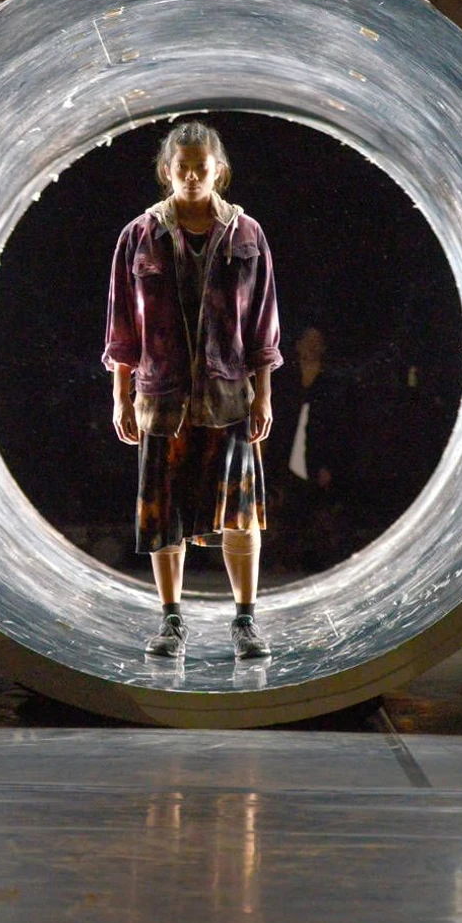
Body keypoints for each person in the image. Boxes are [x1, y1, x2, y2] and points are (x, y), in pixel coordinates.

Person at [103, 120, 282, 660]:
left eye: (200, 168)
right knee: (164, 515)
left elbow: (263, 323)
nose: (191, 177)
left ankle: (245, 621)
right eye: (181, 168)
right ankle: (171, 620)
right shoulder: (139, 236)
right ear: (167, 170)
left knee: (241, 514)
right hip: (163, 397)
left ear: (218, 170)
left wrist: (264, 395)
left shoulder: (247, 234)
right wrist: (120, 395)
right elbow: (121, 327)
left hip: (228, 396)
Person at [267, 325, 345, 572]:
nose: (312, 347)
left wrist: (328, 464)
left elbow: (336, 426)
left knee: (313, 507)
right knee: (285, 505)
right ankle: (283, 559)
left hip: (315, 453)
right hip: (285, 450)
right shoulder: (284, 378)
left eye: (317, 342)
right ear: (298, 346)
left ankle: (313, 561)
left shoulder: (330, 382)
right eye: (308, 341)